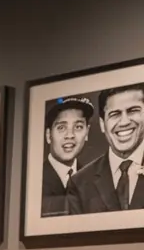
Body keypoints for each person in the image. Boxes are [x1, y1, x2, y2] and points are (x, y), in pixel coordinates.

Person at [69, 85, 144, 213]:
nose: (124, 122)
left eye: (133, 110)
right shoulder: (79, 182)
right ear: (103, 124)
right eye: (115, 114)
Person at [42, 97, 93, 217]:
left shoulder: (92, 180)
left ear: (87, 133)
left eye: (78, 127)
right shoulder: (35, 180)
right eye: (61, 128)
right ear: (49, 135)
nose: (70, 135)